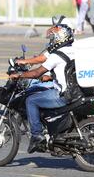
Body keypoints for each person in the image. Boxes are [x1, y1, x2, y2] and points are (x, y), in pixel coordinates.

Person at [9, 20, 75, 153]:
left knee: (31, 100)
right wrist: (49, 77)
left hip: (63, 94)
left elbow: (36, 72)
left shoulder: (56, 55)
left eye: (53, 38)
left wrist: (20, 75)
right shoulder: (75, 50)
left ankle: (37, 136)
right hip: (76, 91)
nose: (52, 40)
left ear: (58, 38)